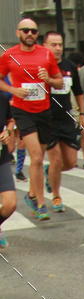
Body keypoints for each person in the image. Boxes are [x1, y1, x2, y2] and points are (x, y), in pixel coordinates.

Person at [0, 17, 63, 220]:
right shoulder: (9, 55)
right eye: (25, 30)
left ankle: (31, 195)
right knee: (36, 157)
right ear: (18, 33)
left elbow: (60, 82)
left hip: (43, 110)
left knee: (39, 158)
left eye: (33, 31)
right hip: (22, 111)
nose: (29, 34)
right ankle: (41, 204)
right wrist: (13, 90)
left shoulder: (46, 54)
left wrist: (49, 79)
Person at [43, 31, 84, 213]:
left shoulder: (70, 67)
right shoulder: (41, 66)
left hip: (66, 118)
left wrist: (82, 114)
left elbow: (78, 92)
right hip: (47, 119)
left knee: (70, 162)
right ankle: (56, 196)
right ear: (45, 46)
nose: (58, 48)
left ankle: (50, 173)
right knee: (55, 159)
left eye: (60, 44)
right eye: (53, 45)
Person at [0, 90, 17, 247]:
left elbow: (10, 120)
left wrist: (8, 131)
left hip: (1, 157)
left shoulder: (2, 97)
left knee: (10, 204)